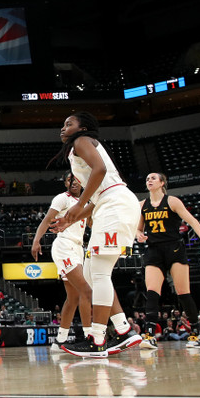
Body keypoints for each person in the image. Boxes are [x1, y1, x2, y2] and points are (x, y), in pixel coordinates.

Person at [50, 112, 142, 357]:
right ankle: (123, 329)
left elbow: (100, 170)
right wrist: (69, 219)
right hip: (108, 204)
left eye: (69, 123)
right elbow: (96, 197)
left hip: (114, 205)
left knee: (99, 273)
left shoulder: (81, 141)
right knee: (92, 274)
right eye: (63, 123)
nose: (63, 127)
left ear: (83, 128)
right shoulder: (79, 148)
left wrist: (78, 204)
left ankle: (98, 339)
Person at [136, 172, 200, 350]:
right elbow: (138, 228)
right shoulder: (142, 205)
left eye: (153, 178)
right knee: (152, 292)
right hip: (154, 250)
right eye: (147, 178)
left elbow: (193, 221)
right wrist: (138, 234)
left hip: (174, 248)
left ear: (162, 183)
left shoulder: (172, 201)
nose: (149, 180)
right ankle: (149, 335)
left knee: (183, 293)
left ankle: (195, 334)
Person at [32, 173, 93, 351]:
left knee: (73, 297)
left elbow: (90, 223)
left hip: (78, 248)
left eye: (76, 179)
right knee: (86, 291)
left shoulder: (86, 203)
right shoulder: (62, 198)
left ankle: (60, 341)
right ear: (66, 183)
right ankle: (90, 336)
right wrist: (37, 240)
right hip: (64, 246)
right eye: (69, 180)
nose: (73, 182)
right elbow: (46, 219)